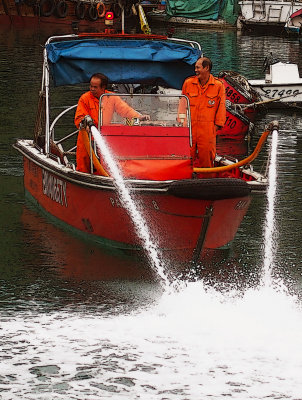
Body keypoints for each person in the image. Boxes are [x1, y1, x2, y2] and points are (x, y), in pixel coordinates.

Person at [74, 73, 149, 173]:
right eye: (91, 86)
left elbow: (125, 110)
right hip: (87, 137)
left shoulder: (111, 97)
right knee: (84, 165)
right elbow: (79, 117)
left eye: (95, 87)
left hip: (105, 137)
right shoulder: (84, 98)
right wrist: (85, 125)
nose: (92, 89)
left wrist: (139, 117)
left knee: (106, 163)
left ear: (103, 87)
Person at [181, 57, 226, 168]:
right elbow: (182, 105)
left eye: (198, 67)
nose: (195, 70)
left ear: (206, 68)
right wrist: (182, 123)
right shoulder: (188, 83)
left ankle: (207, 181)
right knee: (186, 157)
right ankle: (186, 180)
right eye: (195, 67)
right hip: (190, 129)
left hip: (207, 131)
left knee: (207, 159)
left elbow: (221, 107)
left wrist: (215, 128)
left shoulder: (218, 86)